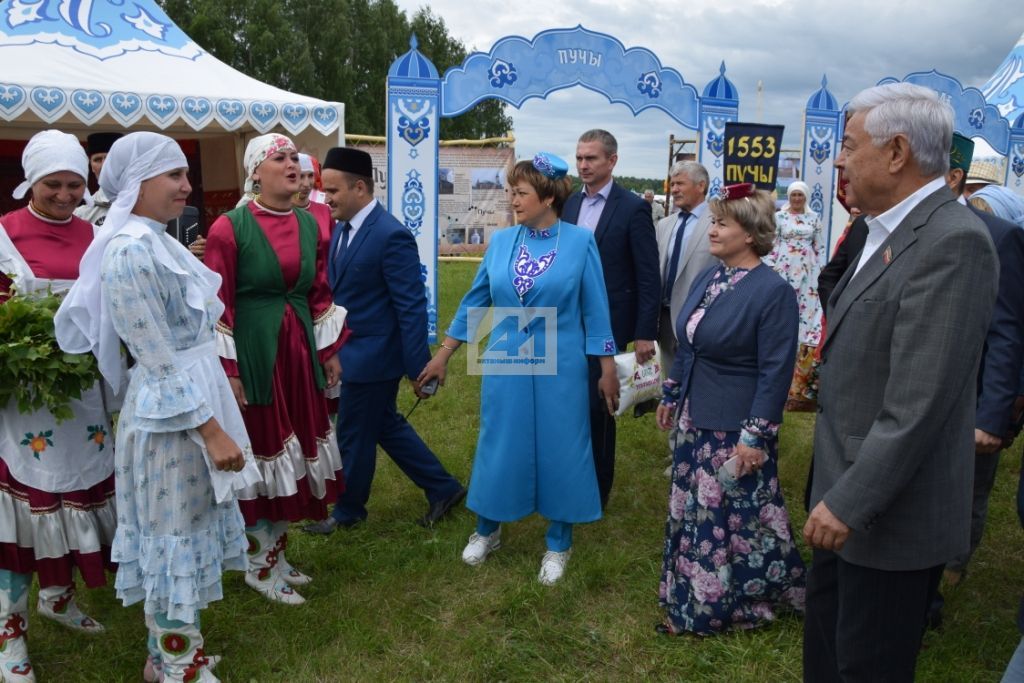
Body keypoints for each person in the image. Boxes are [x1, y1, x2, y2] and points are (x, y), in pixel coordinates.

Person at [803, 83, 999, 682]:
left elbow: (919, 400)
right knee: (828, 659)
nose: (838, 159)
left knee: (867, 667)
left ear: (896, 153)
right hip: (843, 492)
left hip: (886, 517)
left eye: (849, 145)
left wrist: (849, 501)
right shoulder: (874, 230)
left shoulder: (954, 240)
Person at [55, 131, 262, 683]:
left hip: (192, 396)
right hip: (171, 417)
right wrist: (212, 430)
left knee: (188, 528)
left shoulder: (157, 241)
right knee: (171, 535)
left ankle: (167, 653)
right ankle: (176, 664)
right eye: (173, 175)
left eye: (185, 174)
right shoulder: (127, 253)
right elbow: (157, 358)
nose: (186, 186)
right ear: (138, 181)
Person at [419, 153, 619, 585]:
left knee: (563, 442)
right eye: (512, 191)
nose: (512, 199)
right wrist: (444, 354)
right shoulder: (503, 241)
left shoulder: (581, 242)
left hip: (562, 356)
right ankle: (488, 528)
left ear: (548, 197)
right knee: (501, 438)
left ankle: (559, 541)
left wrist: (606, 367)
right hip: (509, 346)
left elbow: (596, 309)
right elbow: (476, 301)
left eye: (521, 192)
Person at [654, 182, 804, 635]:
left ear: (752, 233)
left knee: (732, 517)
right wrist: (670, 392)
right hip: (694, 415)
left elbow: (776, 371)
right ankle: (694, 590)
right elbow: (689, 343)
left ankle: (722, 606)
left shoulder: (772, 290)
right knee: (698, 510)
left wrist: (755, 436)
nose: (712, 230)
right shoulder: (712, 276)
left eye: (721, 223)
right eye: (713, 221)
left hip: (734, 425)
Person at [203, 134, 347, 605]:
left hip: (297, 348)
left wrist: (327, 352)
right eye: (279, 158)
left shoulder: (311, 224)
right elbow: (218, 304)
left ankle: (276, 554)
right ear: (255, 172)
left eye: (295, 158)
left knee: (299, 448)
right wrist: (230, 369)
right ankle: (257, 565)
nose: (292, 165)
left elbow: (319, 293)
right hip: (257, 352)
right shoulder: (230, 228)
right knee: (265, 451)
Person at [0, 130, 114, 682]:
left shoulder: (96, 235)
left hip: (83, 396)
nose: (67, 195)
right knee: (21, 523)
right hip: (26, 403)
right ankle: (9, 638)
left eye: (75, 184)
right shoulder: (3, 235)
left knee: (74, 504)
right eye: (54, 185)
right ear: (30, 182)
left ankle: (60, 598)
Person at [304, 147, 465, 534]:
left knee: (355, 433)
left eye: (334, 190)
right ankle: (443, 488)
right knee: (384, 426)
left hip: (374, 359)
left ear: (360, 187)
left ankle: (348, 512)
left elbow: (410, 308)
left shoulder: (391, 235)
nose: (327, 198)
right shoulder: (341, 228)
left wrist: (418, 368)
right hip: (350, 353)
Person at [926, 133, 1024, 629]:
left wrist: (993, 412)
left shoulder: (1000, 235)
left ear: (953, 177)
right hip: (915, 394)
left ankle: (950, 567)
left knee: (967, 487)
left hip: (973, 392)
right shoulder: (891, 229)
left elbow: (1008, 332)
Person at [563, 129, 661, 508]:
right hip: (567, 322)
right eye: (580, 158)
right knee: (571, 402)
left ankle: (598, 488)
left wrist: (643, 332)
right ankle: (571, 472)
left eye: (592, 158)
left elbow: (648, 276)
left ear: (612, 161)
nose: (584, 165)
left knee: (599, 404)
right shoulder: (570, 205)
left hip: (608, 322)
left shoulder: (633, 207)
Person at [764, 181, 824, 412]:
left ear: (806, 197)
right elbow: (772, 243)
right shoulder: (779, 217)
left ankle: (798, 372)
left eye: (800, 195)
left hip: (807, 272)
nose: (797, 199)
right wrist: (771, 267)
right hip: (784, 267)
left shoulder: (814, 218)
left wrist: (820, 272)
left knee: (805, 316)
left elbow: (818, 248)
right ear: (789, 196)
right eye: (794, 195)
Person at [656, 161, 718, 362]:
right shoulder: (665, 224)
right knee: (668, 383)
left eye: (680, 184)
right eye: (672, 184)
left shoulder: (719, 222)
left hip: (701, 320)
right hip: (663, 320)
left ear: (701, 186)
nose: (674, 190)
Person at [74, 132, 121, 226]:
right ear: (91, 167)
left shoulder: (141, 206)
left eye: (109, 158)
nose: (104, 165)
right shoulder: (81, 214)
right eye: (98, 160)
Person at [294, 152, 335, 248]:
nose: (307, 184)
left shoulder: (325, 211)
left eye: (310, 175)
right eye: (301, 176)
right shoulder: (282, 212)